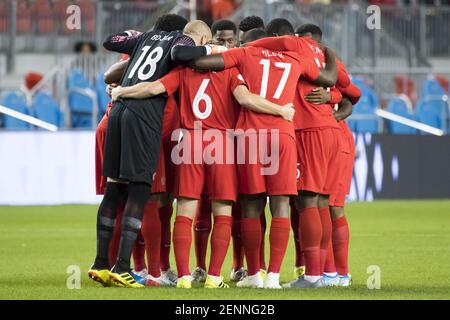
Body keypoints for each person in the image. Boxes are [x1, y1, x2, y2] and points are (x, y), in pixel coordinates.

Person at [111, 30, 296, 290]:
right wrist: (281, 110)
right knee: (222, 211)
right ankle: (214, 277)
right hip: (220, 142)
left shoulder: (183, 71)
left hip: (189, 141)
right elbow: (245, 99)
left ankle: (185, 277)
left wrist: (123, 91)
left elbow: (153, 88)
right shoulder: (230, 71)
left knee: (185, 210)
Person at [190, 18, 338, 289]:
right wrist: (327, 51)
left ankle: (254, 275)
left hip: (250, 136)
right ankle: (273, 277)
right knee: (281, 205)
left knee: (251, 206)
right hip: (283, 135)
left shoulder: (246, 52)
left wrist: (208, 49)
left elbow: (201, 63)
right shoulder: (296, 59)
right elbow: (330, 78)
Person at [88, 15, 208, 288]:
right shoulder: (180, 40)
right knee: (142, 188)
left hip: (116, 112)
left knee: (114, 189)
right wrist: (208, 49)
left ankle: (100, 263)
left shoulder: (143, 38)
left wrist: (134, 38)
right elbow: (181, 52)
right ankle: (122, 267)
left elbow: (110, 41)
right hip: (143, 115)